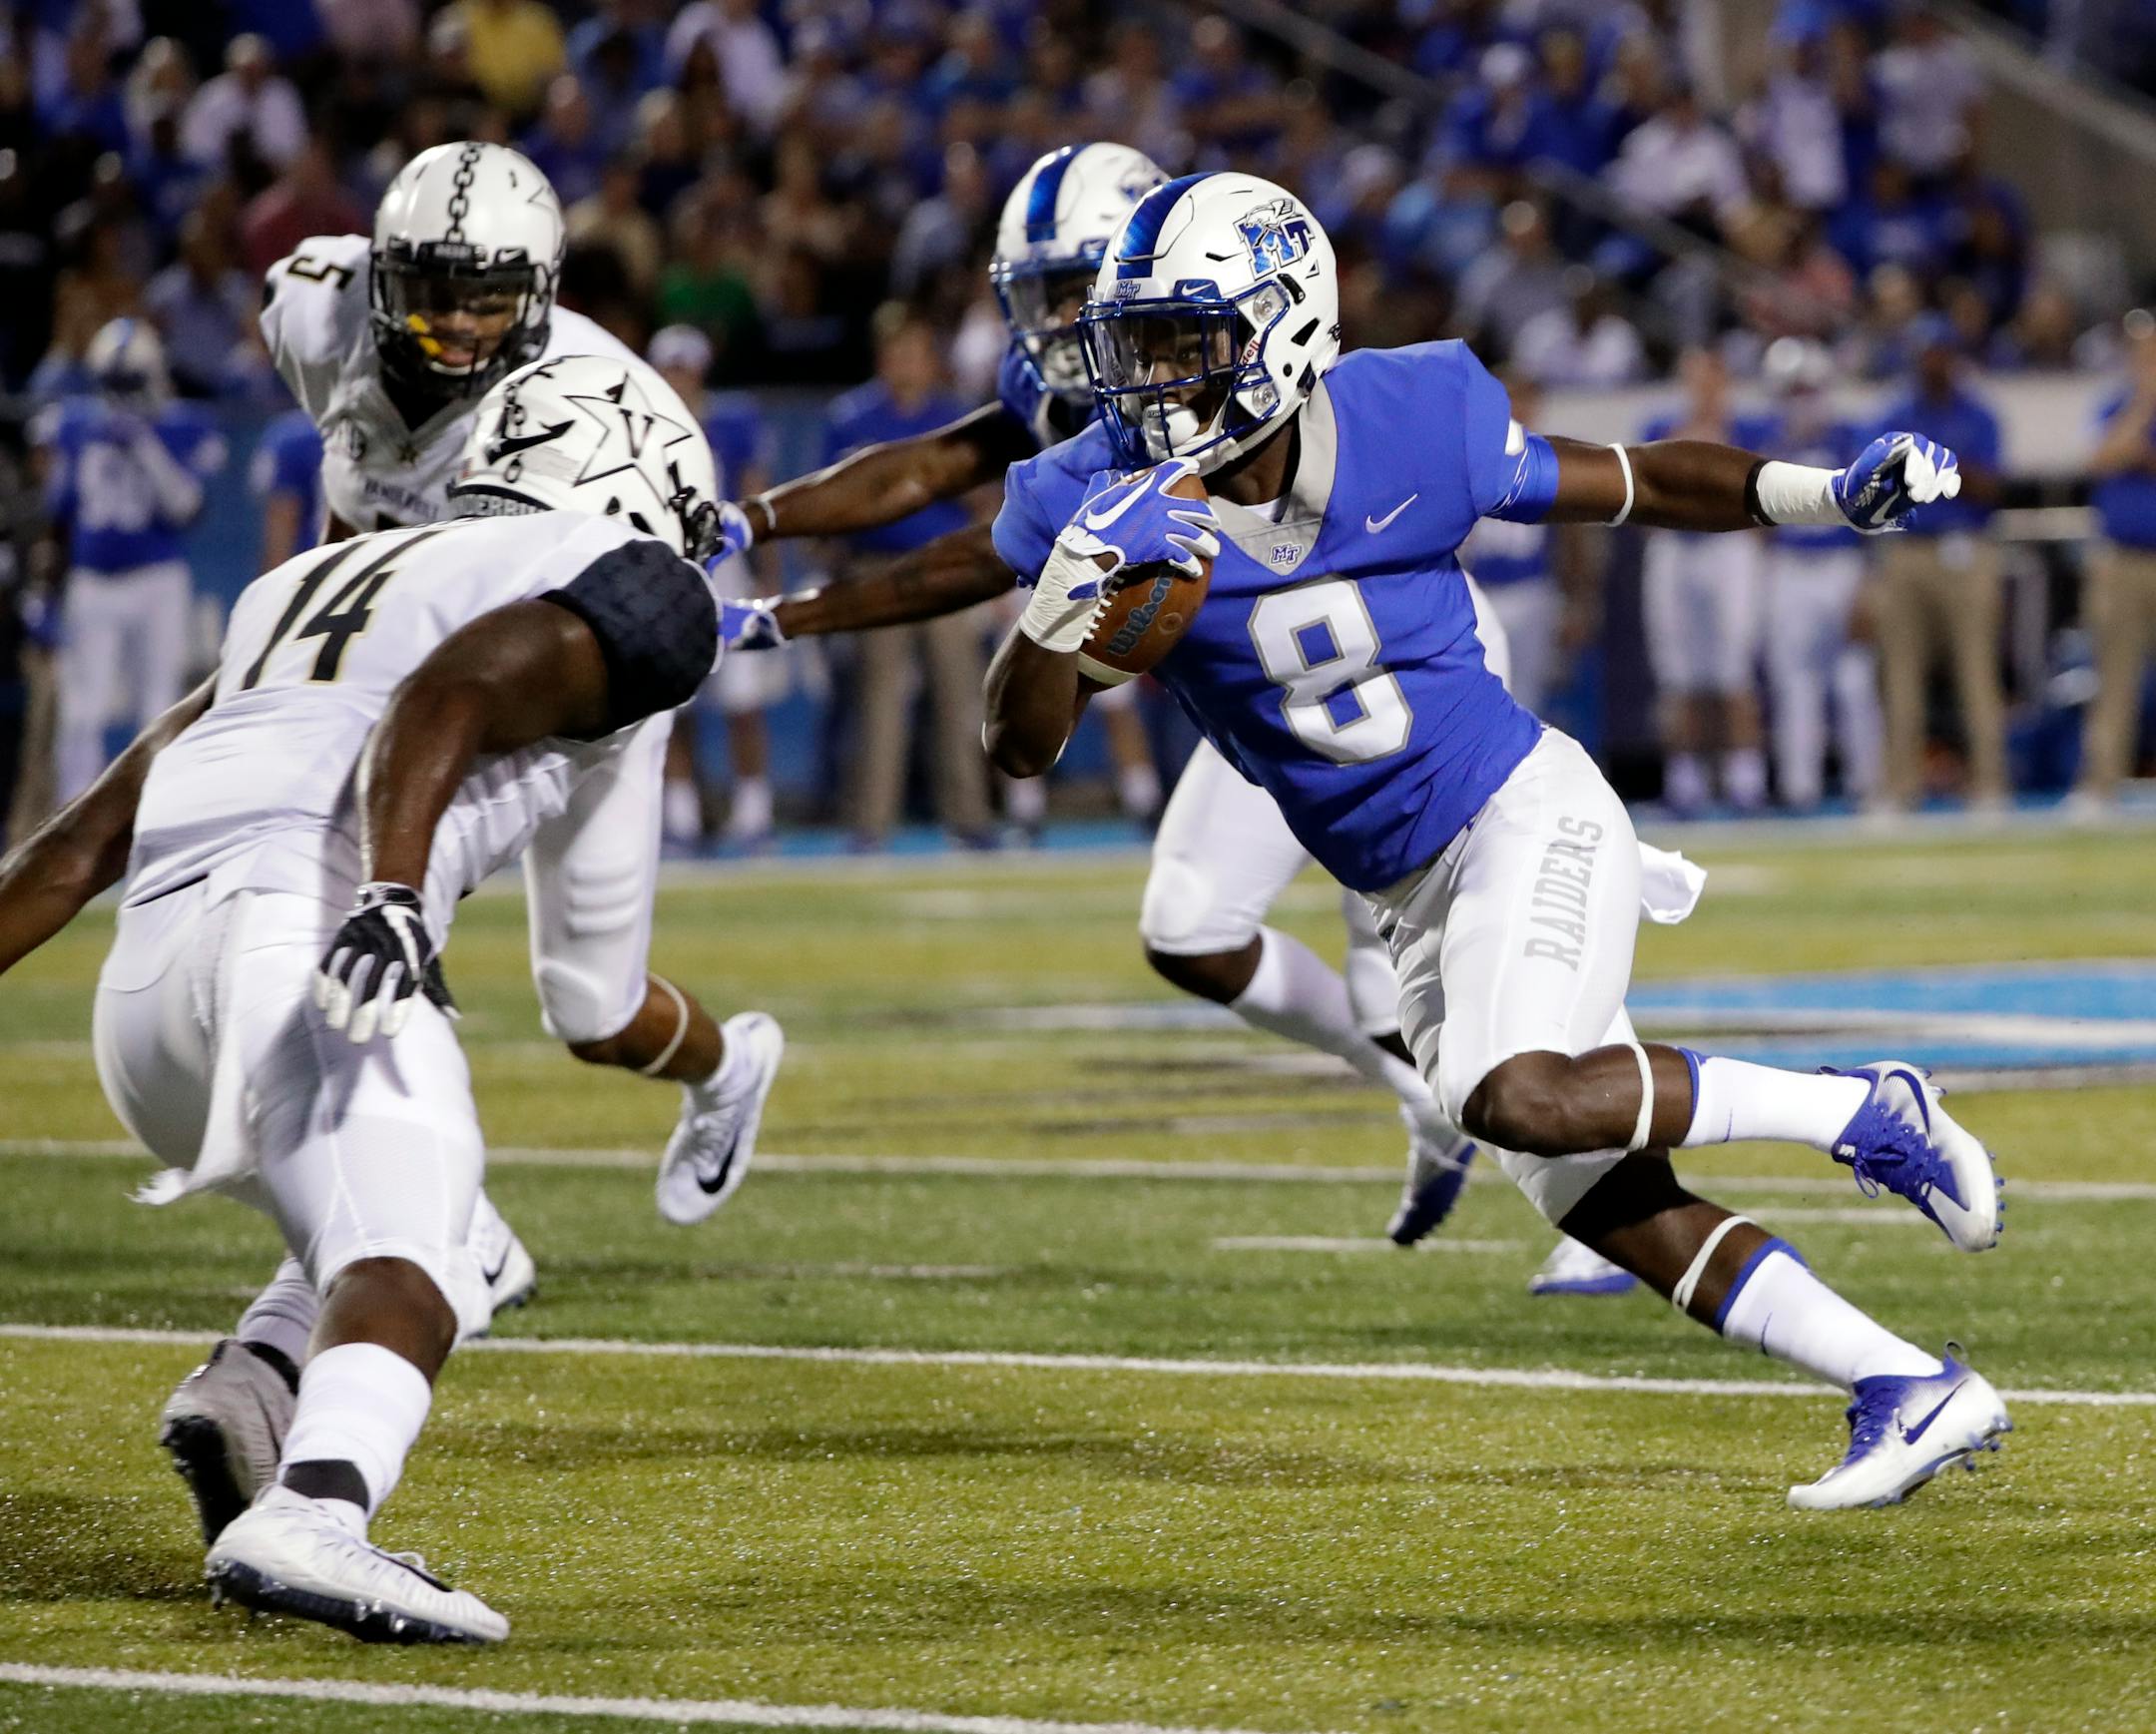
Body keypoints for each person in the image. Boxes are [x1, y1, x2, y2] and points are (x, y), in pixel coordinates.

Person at [984, 172, 2007, 1508]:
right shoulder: (1091, 493)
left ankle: (1866, 1107)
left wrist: (1819, 497)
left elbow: (1635, 481)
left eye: (1188, 340)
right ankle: (1912, 1386)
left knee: (1511, 1091)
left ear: (1282, 324)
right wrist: (1059, 613)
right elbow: (1018, 745)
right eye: (1143, 347)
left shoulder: (1410, 418)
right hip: (1406, 888)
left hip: (1519, 808)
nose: (1156, 380)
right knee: (1600, 1196)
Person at [0, 354, 781, 1641]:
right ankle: (315, 1507)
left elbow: (83, 840)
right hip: (301, 939)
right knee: (414, 1256)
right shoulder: (621, 574)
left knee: (448, 1225)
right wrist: (398, 891)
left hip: (140, 1011)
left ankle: (256, 1391)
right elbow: (452, 693)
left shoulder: (305, 580)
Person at [709, 143, 1489, 1249]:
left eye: (1077, 288)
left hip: (1388, 657)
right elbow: (933, 465)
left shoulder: (1214, 368)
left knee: (1466, 944)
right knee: (1199, 929)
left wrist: (787, 615)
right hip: (1265, 687)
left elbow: (980, 554)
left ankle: (1598, 1169)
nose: (1058, 321)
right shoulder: (1102, 384)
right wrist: (757, 523)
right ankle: (1420, 1095)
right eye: (1041, 295)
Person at [145, 141, 716, 1539]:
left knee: (583, 998)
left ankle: (723, 1066)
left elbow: (501, 661)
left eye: (487, 297)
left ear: (541, 295)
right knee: (359, 1020)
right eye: (434, 292)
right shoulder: (320, 306)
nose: (457, 322)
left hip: (554, 681)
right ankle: (299, 1354)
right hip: (370, 703)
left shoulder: (591, 423)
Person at [820, 302, 994, 851]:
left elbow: (988, 500)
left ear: (930, 360)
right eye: (897, 353)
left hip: (947, 566)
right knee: (880, 701)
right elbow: (828, 505)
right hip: (879, 569)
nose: (906, 363)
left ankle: (971, 819)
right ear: (883, 358)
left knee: (960, 696)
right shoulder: (853, 418)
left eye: (916, 354)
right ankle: (871, 824)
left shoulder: (956, 417)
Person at [32, 317, 225, 803]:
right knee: (82, 712)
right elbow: (58, 515)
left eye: (131, 382)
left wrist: (145, 443)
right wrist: (45, 589)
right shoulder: (76, 424)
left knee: (157, 707)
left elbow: (186, 509)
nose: (122, 394)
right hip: (92, 581)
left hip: (158, 578)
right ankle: (70, 816)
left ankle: (152, 815)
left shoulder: (179, 425)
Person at [647, 322, 782, 851]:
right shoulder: (642, 425)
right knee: (669, 706)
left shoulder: (732, 419)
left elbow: (755, 493)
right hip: (662, 568)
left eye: (685, 368)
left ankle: (753, 812)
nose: (678, 379)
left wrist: (767, 569)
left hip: (723, 565)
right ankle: (681, 818)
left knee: (742, 701)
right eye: (670, 369)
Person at [1872, 318, 2005, 813]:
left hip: (1966, 548)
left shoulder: (1979, 414)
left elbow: (1992, 486)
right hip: (1906, 548)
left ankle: (1990, 786)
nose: (1934, 362)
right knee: (1901, 676)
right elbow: (1876, 485)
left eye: (1941, 353)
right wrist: (1951, 470)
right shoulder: (1894, 413)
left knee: (1977, 671)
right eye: (1927, 353)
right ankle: (1899, 788)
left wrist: (1936, 469)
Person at [1639, 348, 1773, 816]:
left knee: (1733, 665)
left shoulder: (1749, 429)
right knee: (1677, 669)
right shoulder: (1660, 429)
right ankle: (1685, 781)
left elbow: (1764, 495)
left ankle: (1745, 778)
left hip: (1730, 549)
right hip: (1675, 549)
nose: (1705, 391)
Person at [1757, 337, 1883, 811]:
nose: (1802, 401)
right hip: (1790, 566)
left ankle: (1868, 783)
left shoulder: (1850, 439)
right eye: (1794, 391)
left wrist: (1869, 579)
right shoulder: (1769, 441)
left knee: (1853, 680)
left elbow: (1876, 512)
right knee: (1795, 683)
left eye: (1809, 390)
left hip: (1841, 565)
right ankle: (1800, 788)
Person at [2069, 310, 2156, 812]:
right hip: (2121, 561)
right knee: (2115, 677)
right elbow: (2101, 457)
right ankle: (2101, 786)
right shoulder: (2113, 405)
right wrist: (2144, 402)